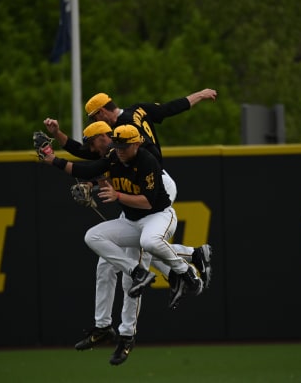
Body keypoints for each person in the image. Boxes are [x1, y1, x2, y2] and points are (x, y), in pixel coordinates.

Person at [35, 124, 205, 365]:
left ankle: (182, 274)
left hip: (156, 215)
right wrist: (53, 160)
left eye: (124, 146)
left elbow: (146, 202)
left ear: (136, 143)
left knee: (147, 247)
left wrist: (114, 195)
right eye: (118, 145)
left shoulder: (147, 160)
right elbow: (89, 168)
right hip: (132, 219)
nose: (120, 149)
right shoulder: (114, 156)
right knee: (96, 243)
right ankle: (137, 280)